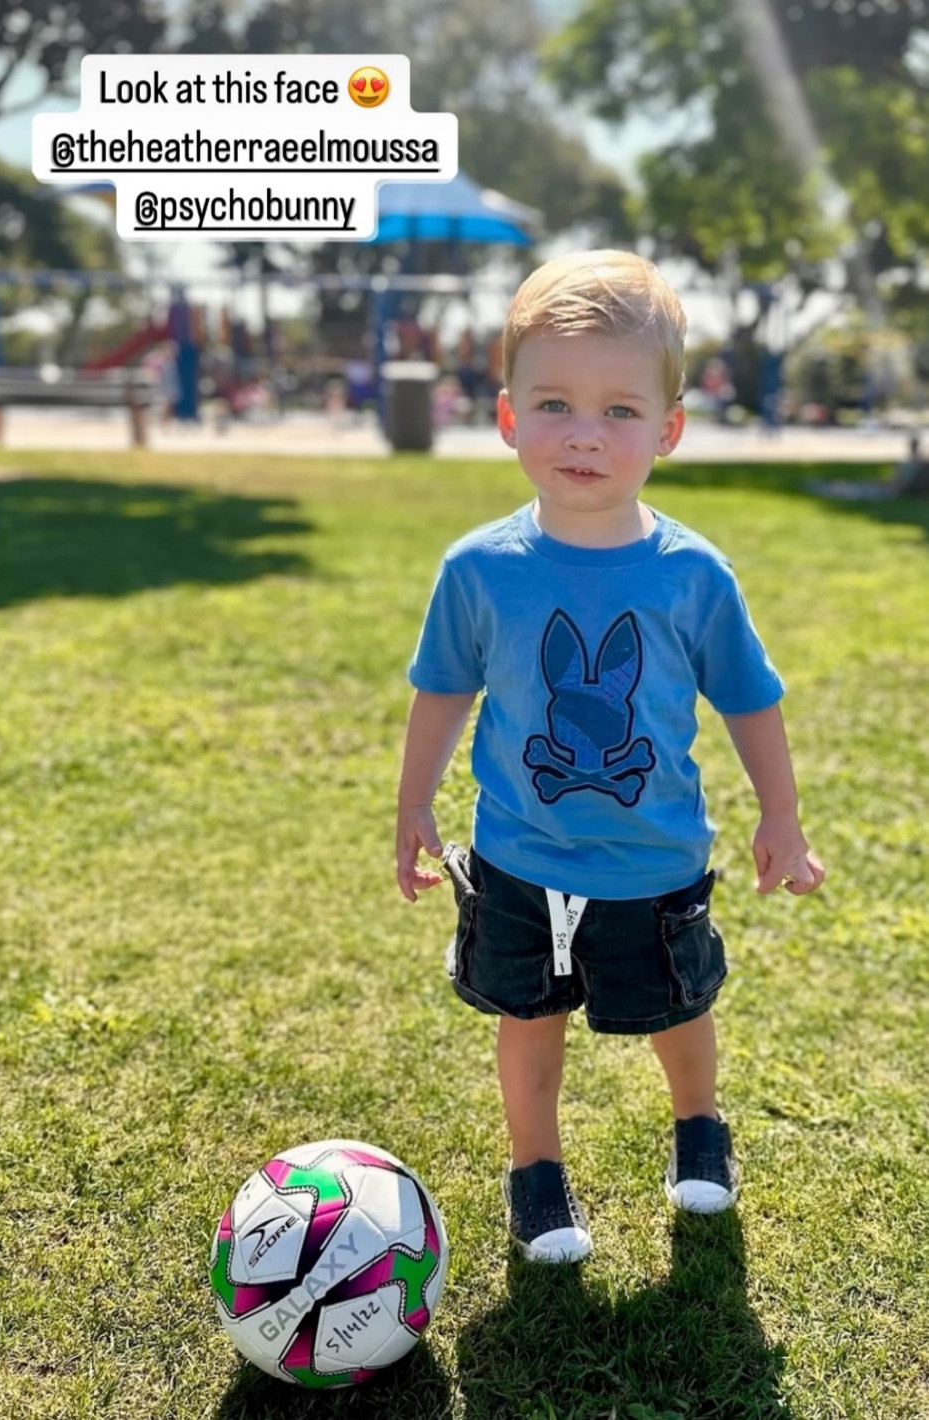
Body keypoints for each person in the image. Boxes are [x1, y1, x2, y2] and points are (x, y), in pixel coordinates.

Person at [395, 250, 825, 1264]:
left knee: (679, 1007)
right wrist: (413, 802)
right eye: (553, 403)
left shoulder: (691, 574)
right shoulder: (478, 569)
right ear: (506, 417)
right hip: (518, 856)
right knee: (527, 1013)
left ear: (666, 430)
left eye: (619, 412)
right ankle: (534, 1174)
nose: (584, 433)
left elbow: (750, 700)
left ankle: (698, 1126)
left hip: (654, 856)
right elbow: (443, 688)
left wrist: (781, 816)